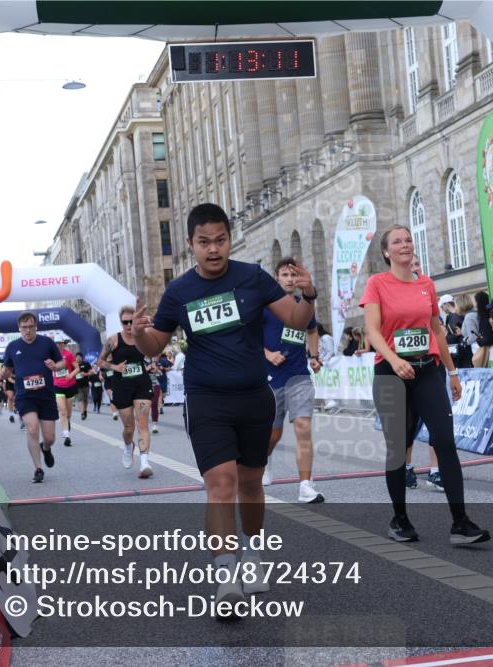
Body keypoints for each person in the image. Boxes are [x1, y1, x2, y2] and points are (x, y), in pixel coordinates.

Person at [131, 202, 319, 610]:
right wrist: (138, 334)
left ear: (229, 240)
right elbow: (155, 346)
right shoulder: (179, 292)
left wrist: (308, 293)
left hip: (254, 397)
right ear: (190, 245)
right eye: (204, 243)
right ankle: (226, 576)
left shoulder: (252, 278)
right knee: (220, 486)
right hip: (207, 400)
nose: (213, 250)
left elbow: (297, 320)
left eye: (220, 241)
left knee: (251, 485)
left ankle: (252, 556)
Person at [361, 224, 489, 545]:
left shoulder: (426, 285)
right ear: (386, 252)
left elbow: (437, 332)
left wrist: (453, 372)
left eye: (408, 240)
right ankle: (399, 519)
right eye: (397, 242)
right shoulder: (377, 283)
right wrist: (393, 359)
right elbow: (373, 332)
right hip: (392, 375)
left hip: (428, 371)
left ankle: (461, 523)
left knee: (444, 441)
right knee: (397, 449)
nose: (405, 245)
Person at [262, 257, 326, 503]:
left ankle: (305, 485)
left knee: (303, 426)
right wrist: (267, 354)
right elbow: (248, 337)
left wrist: (314, 355)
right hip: (271, 378)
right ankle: (264, 461)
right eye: (285, 275)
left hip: (298, 375)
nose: (290, 279)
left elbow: (312, 330)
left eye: (293, 275)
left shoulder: (303, 305)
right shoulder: (265, 306)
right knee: (273, 435)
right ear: (277, 278)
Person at [1, 311, 64, 483]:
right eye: (24, 327)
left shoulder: (47, 343)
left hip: (46, 395)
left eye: (31, 327)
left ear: (36, 326)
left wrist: (54, 366)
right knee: (32, 428)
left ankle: (46, 448)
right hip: (25, 396)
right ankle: (38, 468)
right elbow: (7, 370)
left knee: (50, 437)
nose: (28, 330)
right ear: (19, 328)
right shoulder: (12, 347)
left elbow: (62, 363)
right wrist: (3, 374)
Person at [99, 306, 155, 478]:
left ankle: (144, 462)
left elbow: (155, 349)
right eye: (126, 322)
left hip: (141, 384)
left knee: (143, 423)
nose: (129, 325)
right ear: (121, 322)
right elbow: (100, 362)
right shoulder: (113, 340)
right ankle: (128, 447)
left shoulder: (143, 337)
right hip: (122, 386)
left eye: (132, 321)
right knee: (129, 428)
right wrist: (116, 367)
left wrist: (152, 364)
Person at [53, 340, 78, 446]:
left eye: (61, 343)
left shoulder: (69, 355)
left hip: (70, 385)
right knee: (62, 411)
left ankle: (67, 421)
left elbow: (77, 368)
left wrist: (71, 375)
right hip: (58, 386)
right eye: (57, 343)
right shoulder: (51, 355)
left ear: (64, 344)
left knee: (68, 413)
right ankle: (66, 435)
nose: (59, 345)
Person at [464, 291, 493, 369]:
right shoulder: (487, 314)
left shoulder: (485, 316)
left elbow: (488, 338)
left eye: (476, 302)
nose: (475, 305)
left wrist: (479, 340)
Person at [74, 352, 92, 420]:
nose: (78, 358)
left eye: (79, 357)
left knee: (85, 400)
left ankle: (85, 410)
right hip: (77, 385)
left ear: (82, 357)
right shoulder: (74, 365)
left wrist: (85, 374)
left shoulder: (86, 364)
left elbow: (91, 372)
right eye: (77, 357)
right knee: (80, 399)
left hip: (85, 384)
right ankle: (82, 414)